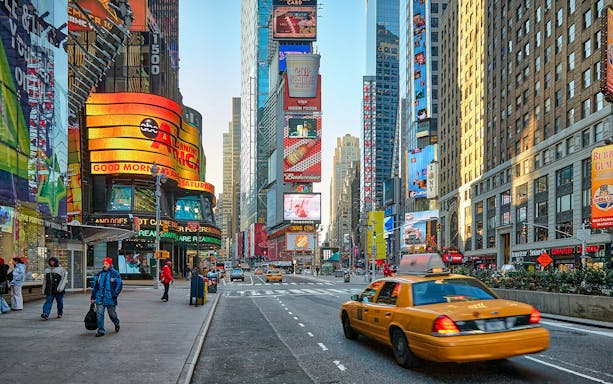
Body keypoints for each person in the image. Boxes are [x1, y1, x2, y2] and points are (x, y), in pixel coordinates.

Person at [90, 258, 123, 337]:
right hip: (99, 298)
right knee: (99, 314)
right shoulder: (99, 274)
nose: (104, 265)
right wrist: (93, 297)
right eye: (104, 263)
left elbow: (120, 285)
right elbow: (95, 286)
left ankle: (116, 323)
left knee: (112, 314)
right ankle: (101, 330)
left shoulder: (115, 274)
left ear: (110, 264)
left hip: (110, 298)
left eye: (106, 264)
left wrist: (114, 294)